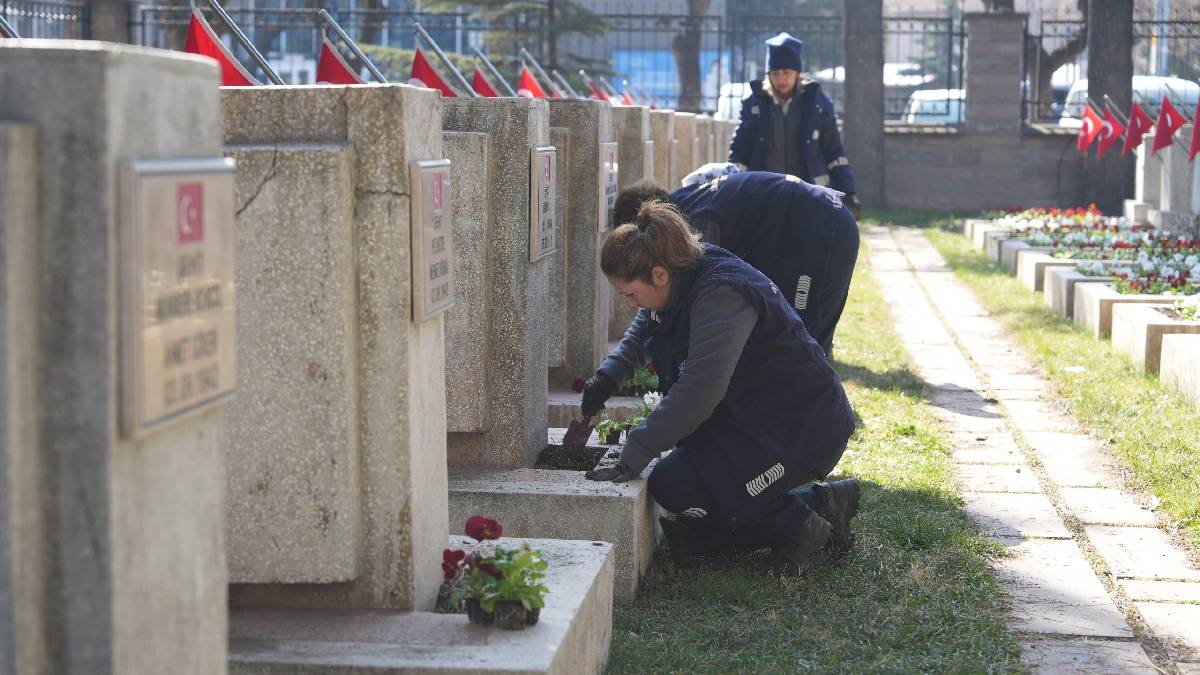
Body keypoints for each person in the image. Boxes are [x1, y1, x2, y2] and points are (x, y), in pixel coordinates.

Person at [582, 200, 860, 574]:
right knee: (676, 484)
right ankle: (825, 505)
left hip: (801, 427)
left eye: (630, 293)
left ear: (660, 275)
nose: (631, 304)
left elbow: (701, 388)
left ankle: (796, 526)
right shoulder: (683, 270)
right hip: (754, 419)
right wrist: (608, 377)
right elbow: (647, 323)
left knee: (685, 490)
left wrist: (636, 450)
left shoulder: (720, 295)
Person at [611, 171, 858, 357]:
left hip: (820, 231)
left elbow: (703, 297)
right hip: (822, 222)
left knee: (802, 342)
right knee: (794, 341)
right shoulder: (685, 205)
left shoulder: (693, 224)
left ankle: (817, 418)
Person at [728, 32, 862, 219]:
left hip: (810, 193)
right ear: (768, 75)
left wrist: (848, 191)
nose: (781, 79)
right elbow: (739, 151)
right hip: (765, 193)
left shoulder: (817, 104)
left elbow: (834, 153)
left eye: (786, 73)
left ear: (797, 73)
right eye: (775, 74)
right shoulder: (754, 104)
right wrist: (731, 187)